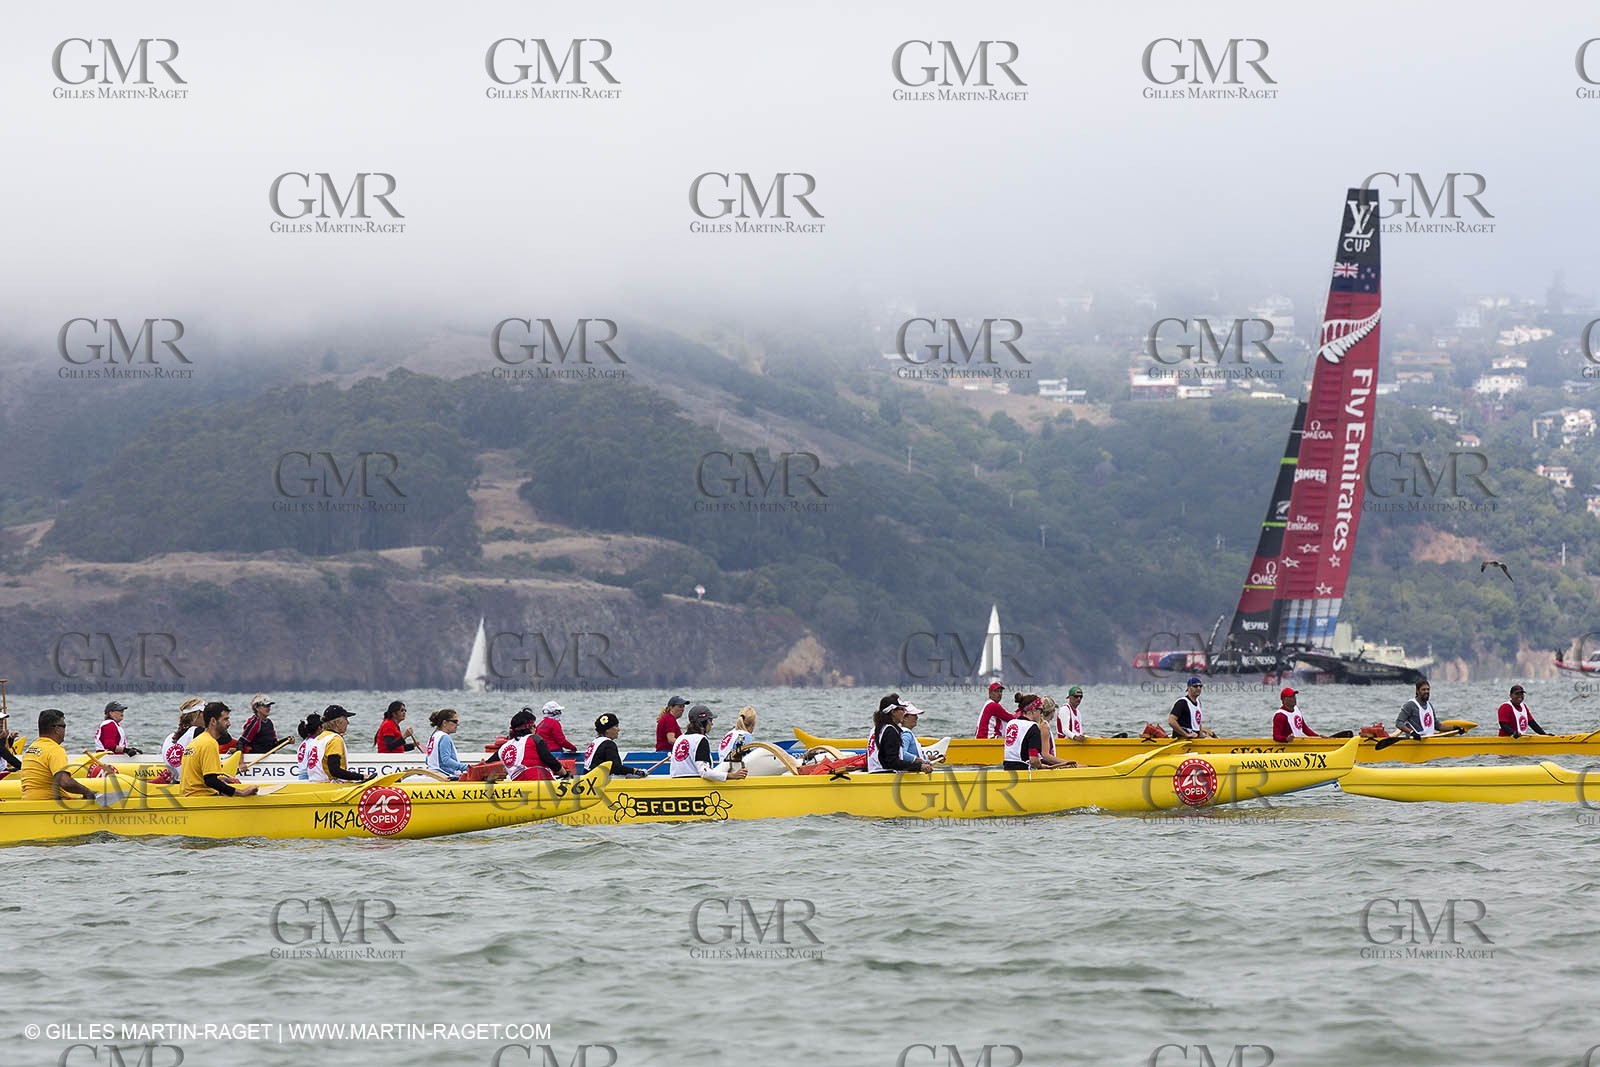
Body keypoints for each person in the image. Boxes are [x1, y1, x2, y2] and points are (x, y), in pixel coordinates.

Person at [180, 702, 259, 797]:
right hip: (201, 799)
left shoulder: (196, 742)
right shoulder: (210, 743)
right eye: (225, 719)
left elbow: (202, 778)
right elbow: (210, 781)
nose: (229, 724)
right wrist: (241, 792)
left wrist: (222, 781)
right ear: (213, 721)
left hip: (188, 796)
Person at [20, 709, 97, 801]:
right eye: (64, 726)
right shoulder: (55, 749)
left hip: (28, 800)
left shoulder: (31, 748)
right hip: (47, 804)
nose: (65, 730)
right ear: (57, 729)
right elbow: (65, 782)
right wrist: (87, 792)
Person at [670, 705, 749, 781]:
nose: (711, 724)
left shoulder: (680, 738)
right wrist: (732, 775)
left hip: (677, 783)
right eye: (710, 720)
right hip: (694, 787)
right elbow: (704, 772)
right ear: (703, 723)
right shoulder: (700, 739)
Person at [1002, 698, 1079, 770]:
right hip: (1034, 767)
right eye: (1040, 710)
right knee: (1081, 766)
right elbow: (1042, 756)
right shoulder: (1040, 727)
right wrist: (1065, 763)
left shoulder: (1013, 723)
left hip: (1010, 766)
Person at [867, 695, 933, 774]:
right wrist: (919, 767)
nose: (904, 712)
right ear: (893, 712)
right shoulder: (890, 731)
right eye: (902, 709)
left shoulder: (876, 728)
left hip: (874, 773)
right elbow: (893, 762)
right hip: (885, 775)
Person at [499, 709, 571, 781]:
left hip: (517, 785)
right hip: (540, 782)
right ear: (530, 727)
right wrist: (565, 774)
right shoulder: (535, 739)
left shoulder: (503, 748)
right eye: (534, 725)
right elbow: (550, 761)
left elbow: (490, 762)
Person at [305, 705, 370, 783]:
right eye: (346, 719)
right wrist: (361, 776)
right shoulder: (335, 739)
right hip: (331, 787)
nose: (348, 722)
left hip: (314, 784)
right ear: (337, 722)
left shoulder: (319, 738)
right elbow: (335, 771)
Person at [585, 713, 648, 778]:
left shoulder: (595, 742)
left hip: (588, 777)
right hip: (596, 782)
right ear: (607, 729)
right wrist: (636, 771)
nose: (618, 729)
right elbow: (616, 768)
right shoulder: (608, 744)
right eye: (616, 726)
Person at [160, 699, 207, 784]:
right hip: (191, 785)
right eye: (205, 714)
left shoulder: (169, 737)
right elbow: (224, 739)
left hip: (176, 782)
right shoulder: (197, 732)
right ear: (197, 715)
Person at [424, 709, 470, 779]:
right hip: (444, 776)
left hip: (433, 774)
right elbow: (446, 760)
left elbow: (428, 760)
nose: (458, 724)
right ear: (444, 723)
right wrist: (467, 767)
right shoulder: (445, 737)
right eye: (455, 721)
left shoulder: (433, 736)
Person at [293, 712, 324, 780]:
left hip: (301, 777)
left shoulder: (304, 743)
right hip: (310, 777)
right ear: (319, 728)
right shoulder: (316, 743)